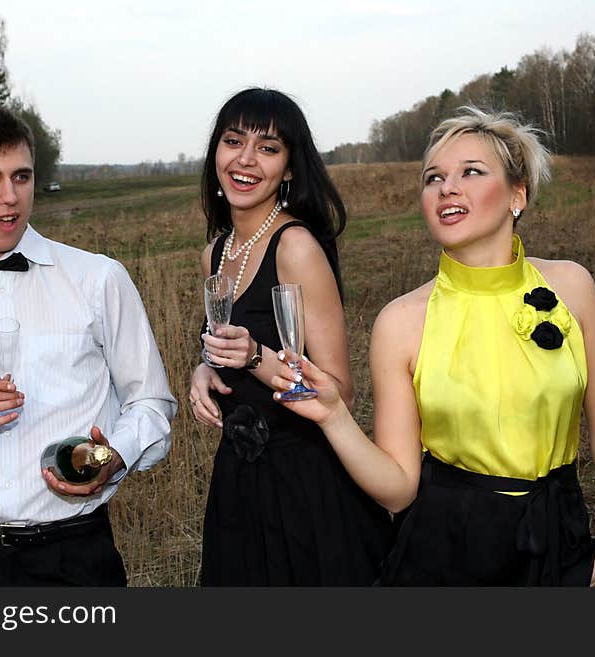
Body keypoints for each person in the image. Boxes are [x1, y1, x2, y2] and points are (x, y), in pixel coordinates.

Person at [273, 106, 595, 586]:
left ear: (517, 194)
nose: (447, 188)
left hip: (557, 540)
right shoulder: (399, 322)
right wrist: (333, 416)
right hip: (445, 555)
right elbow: (399, 490)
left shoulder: (573, 287)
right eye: (433, 178)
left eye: (471, 172)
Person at [0, 105, 176, 586]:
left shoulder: (98, 280)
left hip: (78, 555)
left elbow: (152, 403)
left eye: (21, 176)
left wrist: (112, 459)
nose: (10, 197)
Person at [189, 87, 392, 585]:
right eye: (233, 141)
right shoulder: (215, 253)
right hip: (238, 478)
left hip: (304, 482)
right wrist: (204, 369)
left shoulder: (295, 246)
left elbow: (339, 391)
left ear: (291, 167)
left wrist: (255, 357)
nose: (245, 159)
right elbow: (225, 343)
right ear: (216, 151)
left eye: (268, 148)